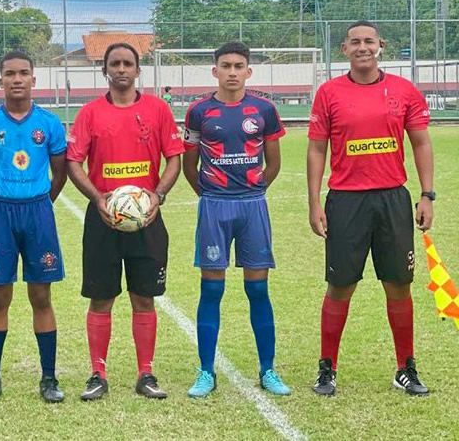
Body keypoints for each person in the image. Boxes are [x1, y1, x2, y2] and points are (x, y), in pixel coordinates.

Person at [308, 21, 433, 397]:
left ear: (381, 46)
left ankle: (405, 367)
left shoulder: (404, 91)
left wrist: (427, 195)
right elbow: (317, 149)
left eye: (369, 41)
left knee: (398, 284)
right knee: (340, 285)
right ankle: (327, 367)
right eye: (355, 42)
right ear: (344, 49)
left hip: (392, 199)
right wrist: (315, 202)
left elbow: (422, 143)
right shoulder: (329, 93)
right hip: (345, 201)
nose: (363, 47)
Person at [66, 42, 184, 401]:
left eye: (127, 63)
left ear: (137, 69)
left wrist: (158, 196)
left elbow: (174, 159)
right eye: (114, 63)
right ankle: (97, 374)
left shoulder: (158, 110)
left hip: (146, 220)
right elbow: (74, 162)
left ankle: (145, 373)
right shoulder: (89, 113)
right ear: (105, 70)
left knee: (143, 297)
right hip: (103, 219)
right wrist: (98, 198)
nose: (121, 69)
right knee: (101, 298)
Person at [182, 42, 290, 398]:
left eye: (238, 65)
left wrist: (255, 189)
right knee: (211, 289)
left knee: (257, 288)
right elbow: (189, 164)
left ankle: (268, 370)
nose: (232, 71)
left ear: (248, 71)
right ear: (215, 70)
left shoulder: (264, 109)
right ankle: (205, 372)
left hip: (252, 207)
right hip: (214, 206)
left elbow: (273, 163)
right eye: (225, 65)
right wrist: (211, 196)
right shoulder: (198, 111)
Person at [0, 51, 68, 405]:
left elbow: (60, 173)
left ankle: (49, 378)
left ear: (33, 79)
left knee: (41, 296)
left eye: (23, 73)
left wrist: (41, 202)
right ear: (1, 81)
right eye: (10, 73)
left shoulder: (51, 124)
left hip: (38, 213)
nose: (17, 79)